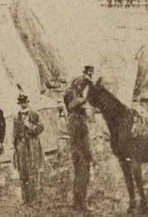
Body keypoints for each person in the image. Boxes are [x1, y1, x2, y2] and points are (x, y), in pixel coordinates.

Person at [64, 65, 95, 212]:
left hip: (80, 137)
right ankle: (81, 202)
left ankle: (78, 202)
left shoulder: (79, 113)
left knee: (82, 170)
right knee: (82, 169)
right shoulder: (72, 94)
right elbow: (71, 105)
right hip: (78, 140)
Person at [13, 94, 44, 205]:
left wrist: (29, 125)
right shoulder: (16, 116)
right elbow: (14, 134)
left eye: (24, 102)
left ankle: (34, 199)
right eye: (21, 103)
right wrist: (15, 148)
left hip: (32, 145)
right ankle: (25, 199)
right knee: (23, 172)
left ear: (27, 102)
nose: (23, 104)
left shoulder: (35, 114)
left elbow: (41, 128)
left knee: (33, 171)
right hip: (21, 146)